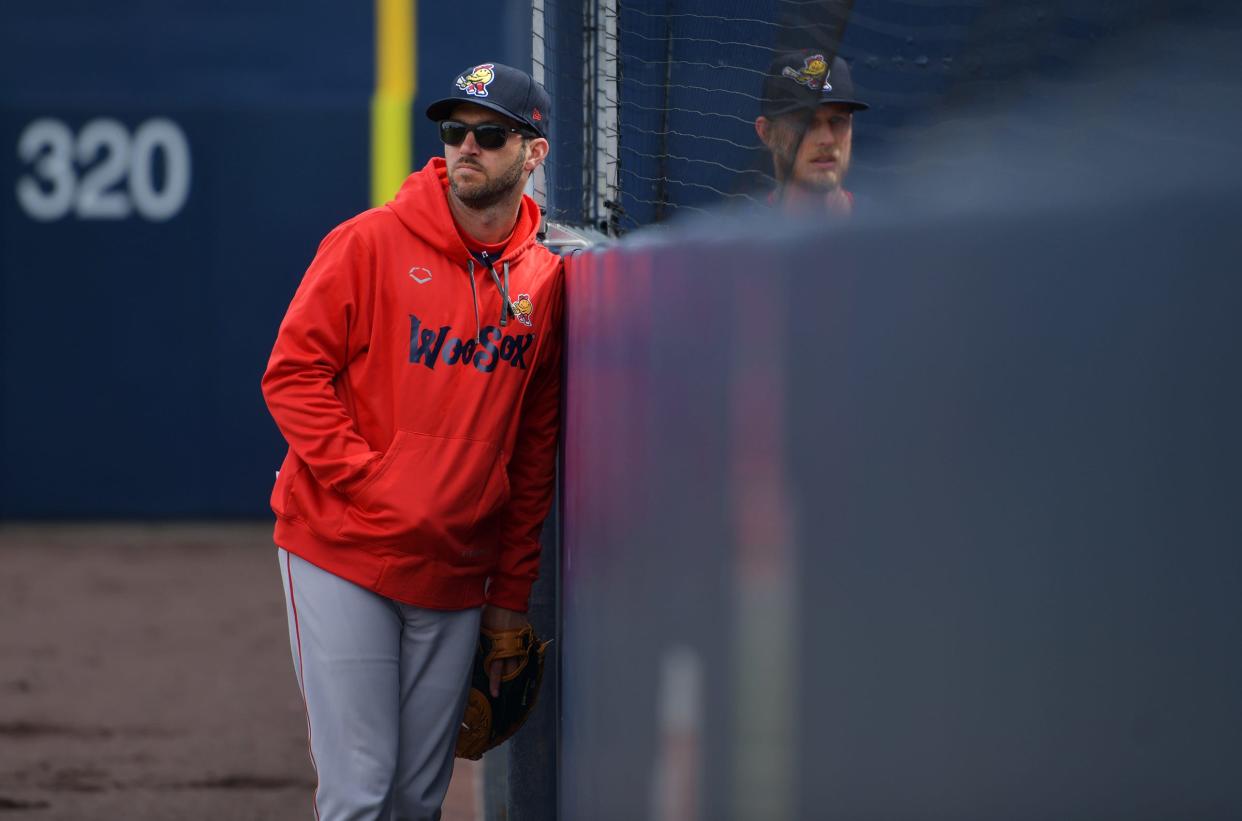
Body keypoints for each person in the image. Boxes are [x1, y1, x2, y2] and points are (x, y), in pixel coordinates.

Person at [260, 61, 561, 821]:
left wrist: (511, 598)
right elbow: (293, 375)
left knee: (415, 801)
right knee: (361, 792)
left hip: (456, 572)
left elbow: (532, 452)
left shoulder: (546, 283)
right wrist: (372, 482)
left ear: (534, 153)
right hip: (342, 548)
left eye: (490, 135)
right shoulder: (368, 242)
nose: (467, 147)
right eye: (455, 131)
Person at [755, 50, 869, 215]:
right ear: (766, 133)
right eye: (806, 124)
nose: (827, 139)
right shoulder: (739, 236)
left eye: (837, 121)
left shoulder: (891, 230)